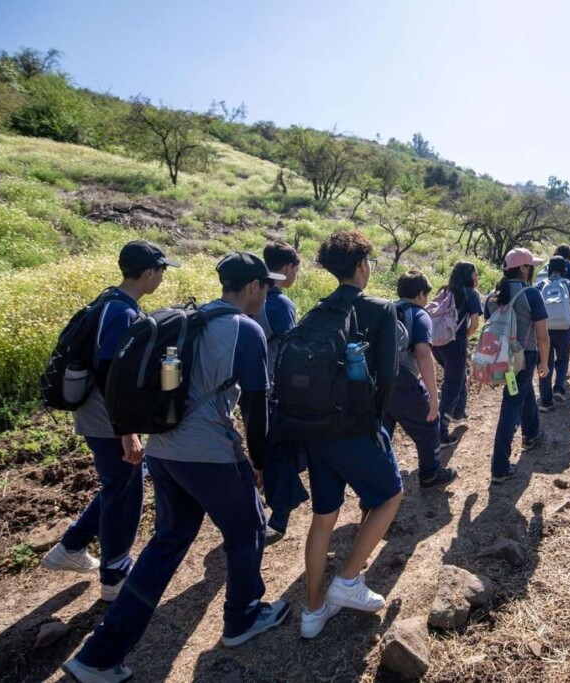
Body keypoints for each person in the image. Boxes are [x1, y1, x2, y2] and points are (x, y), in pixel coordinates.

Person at [64, 252, 289, 683]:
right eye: (267, 286)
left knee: (167, 542)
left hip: (163, 450)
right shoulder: (246, 329)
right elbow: (258, 408)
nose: (269, 293)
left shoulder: (188, 318)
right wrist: (259, 463)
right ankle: (242, 617)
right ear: (255, 287)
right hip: (209, 453)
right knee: (249, 527)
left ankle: (97, 656)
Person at [41, 240, 178, 603]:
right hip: (107, 418)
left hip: (103, 414)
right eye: (162, 270)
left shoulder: (111, 302)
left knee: (120, 483)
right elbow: (109, 373)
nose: (163, 277)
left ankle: (71, 546)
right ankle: (115, 576)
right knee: (125, 493)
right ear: (148, 272)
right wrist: (127, 432)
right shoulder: (121, 313)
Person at [296, 231, 404, 640]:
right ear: (362, 265)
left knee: (323, 518)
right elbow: (388, 377)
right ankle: (347, 579)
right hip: (355, 429)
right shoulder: (379, 309)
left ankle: (312, 610)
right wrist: (374, 425)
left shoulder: (316, 311)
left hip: (314, 430)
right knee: (389, 496)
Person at [256, 242, 309, 546]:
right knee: (282, 452)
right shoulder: (280, 304)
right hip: (275, 390)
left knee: (264, 450)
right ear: (288, 268)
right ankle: (277, 519)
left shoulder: (254, 297)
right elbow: (292, 350)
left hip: (249, 389)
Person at [385, 271, 458, 488]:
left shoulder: (386, 309)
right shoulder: (419, 314)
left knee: (383, 433)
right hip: (403, 380)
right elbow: (423, 354)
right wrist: (434, 398)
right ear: (420, 294)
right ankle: (430, 474)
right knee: (428, 425)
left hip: (377, 381)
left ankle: (382, 481)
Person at [485, 248, 550, 484]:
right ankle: (499, 467)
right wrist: (544, 362)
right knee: (511, 405)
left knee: (522, 391)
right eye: (531, 265)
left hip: (500, 357)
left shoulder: (492, 295)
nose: (533, 269)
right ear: (523, 268)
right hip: (524, 357)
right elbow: (542, 336)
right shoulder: (531, 294)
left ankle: (531, 434)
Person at [431, 262, 482, 447]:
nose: (477, 278)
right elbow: (475, 324)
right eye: (476, 274)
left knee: (458, 377)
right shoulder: (471, 293)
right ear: (470, 276)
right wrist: (461, 337)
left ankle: (458, 413)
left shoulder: (445, 290)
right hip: (454, 345)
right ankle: (440, 433)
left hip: (436, 344)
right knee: (451, 386)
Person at [535, 256, 570, 411]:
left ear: (549, 269)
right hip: (564, 329)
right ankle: (558, 389)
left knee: (545, 363)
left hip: (544, 329)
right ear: (564, 270)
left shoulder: (539, 285)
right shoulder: (569, 284)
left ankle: (545, 401)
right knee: (563, 359)